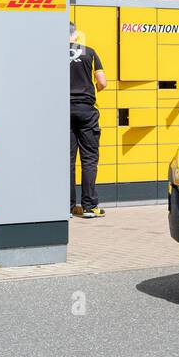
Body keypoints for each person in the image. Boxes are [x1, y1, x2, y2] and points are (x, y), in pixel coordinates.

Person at [69, 22, 108, 218]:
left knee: (66, 160)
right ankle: (89, 207)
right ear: (74, 34)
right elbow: (102, 82)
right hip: (86, 111)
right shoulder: (90, 53)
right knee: (89, 159)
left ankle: (65, 207)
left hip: (63, 111)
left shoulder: (50, 52)